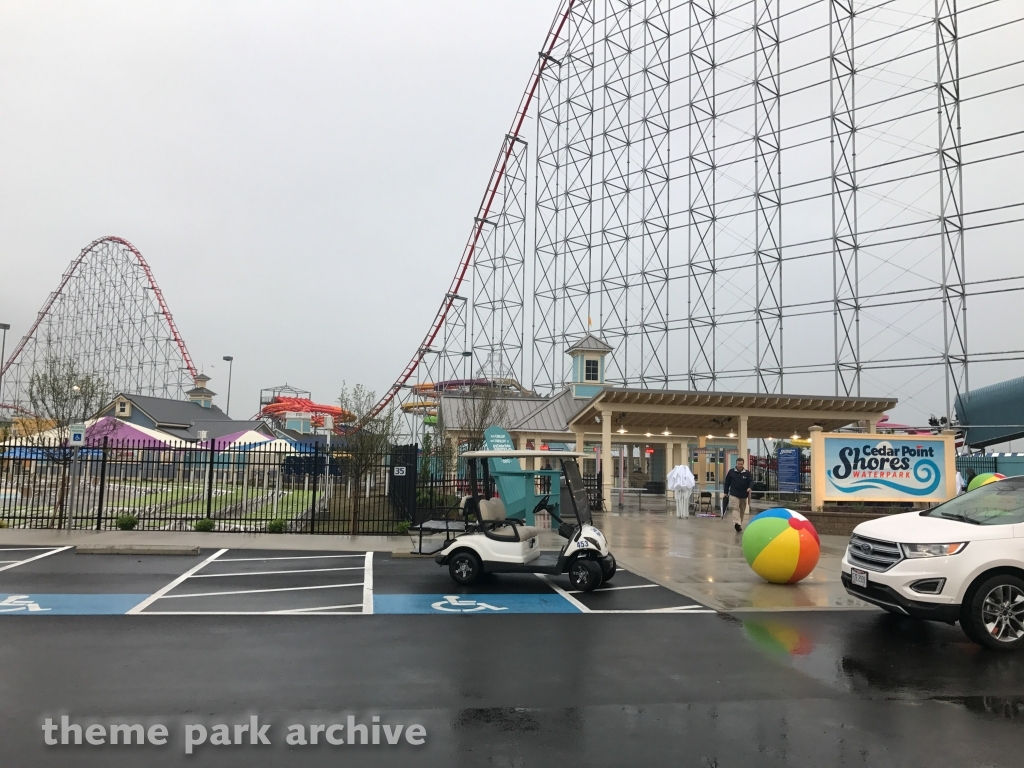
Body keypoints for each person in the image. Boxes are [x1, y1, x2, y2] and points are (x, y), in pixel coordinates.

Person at [723, 457, 753, 532]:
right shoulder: (731, 472)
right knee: (735, 508)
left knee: (742, 511)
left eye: (741, 464)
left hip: (743, 495)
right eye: (738, 464)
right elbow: (727, 482)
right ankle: (736, 523)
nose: (740, 465)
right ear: (736, 464)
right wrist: (725, 492)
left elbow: (751, 482)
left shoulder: (747, 473)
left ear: (743, 464)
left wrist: (750, 487)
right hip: (734, 494)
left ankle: (739, 525)